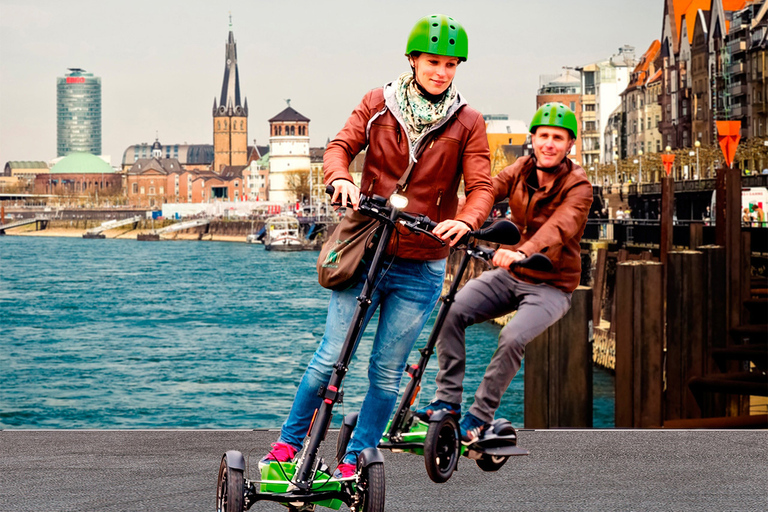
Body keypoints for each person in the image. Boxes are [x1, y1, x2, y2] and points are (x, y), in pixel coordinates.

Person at [259, 14, 495, 478]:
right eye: (433, 62)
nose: (441, 72)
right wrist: (340, 177)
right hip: (367, 250)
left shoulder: (468, 121)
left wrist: (466, 220)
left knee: (387, 371)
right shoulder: (378, 102)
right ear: (412, 60)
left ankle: (354, 461)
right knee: (331, 355)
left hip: (423, 263)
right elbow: (339, 145)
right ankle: (287, 447)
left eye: (451, 64)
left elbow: (482, 185)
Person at [415, 103, 593, 443]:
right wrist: (464, 220)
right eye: (544, 136)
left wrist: (521, 252)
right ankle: (448, 401)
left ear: (570, 144)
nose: (549, 144)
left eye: (558, 138)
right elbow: (489, 189)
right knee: (450, 312)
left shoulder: (578, 187)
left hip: (551, 285)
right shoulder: (521, 169)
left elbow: (560, 227)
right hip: (510, 275)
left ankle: (480, 416)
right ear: (533, 139)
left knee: (511, 338)